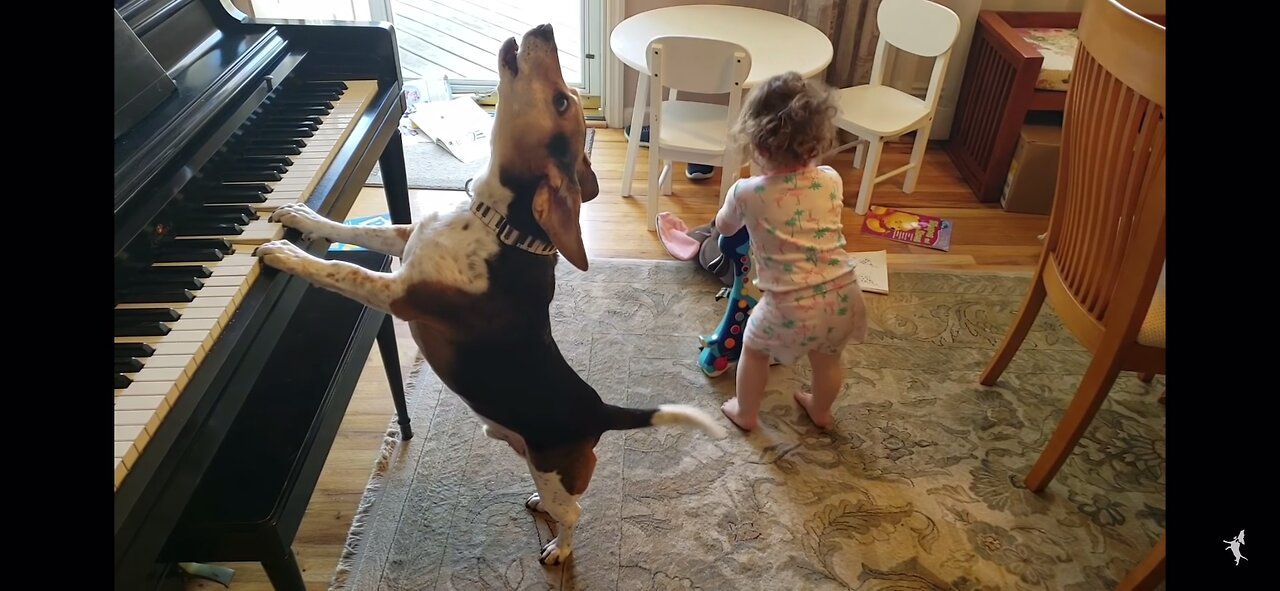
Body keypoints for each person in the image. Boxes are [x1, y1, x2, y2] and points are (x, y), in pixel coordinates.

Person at [713, 71, 868, 431]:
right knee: (828, 359)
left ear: (759, 146)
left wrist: (729, 217)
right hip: (844, 294)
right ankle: (821, 410)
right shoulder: (831, 178)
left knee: (753, 349)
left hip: (790, 304)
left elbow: (724, 226)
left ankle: (745, 412)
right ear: (816, 141)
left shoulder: (746, 192)